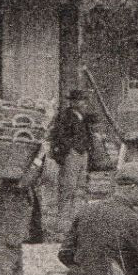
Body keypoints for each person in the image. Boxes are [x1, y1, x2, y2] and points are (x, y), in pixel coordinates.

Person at [49, 90, 94, 235]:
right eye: (81, 101)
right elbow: (59, 136)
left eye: (84, 100)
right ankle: (62, 225)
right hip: (72, 155)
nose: (84, 104)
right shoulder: (65, 116)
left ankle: (77, 222)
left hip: (82, 154)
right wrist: (70, 148)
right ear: (73, 102)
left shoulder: (83, 117)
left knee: (80, 188)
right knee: (68, 188)